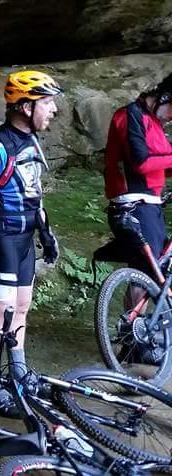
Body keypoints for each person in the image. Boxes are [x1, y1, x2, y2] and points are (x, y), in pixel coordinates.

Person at [0, 70, 62, 417]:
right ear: (23, 106)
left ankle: (17, 373)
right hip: (2, 240)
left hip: (25, 241)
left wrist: (46, 233)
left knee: (22, 306)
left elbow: (32, 195)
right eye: (46, 103)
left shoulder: (32, 143)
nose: (52, 110)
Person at [102, 74, 172, 364]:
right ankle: (133, 342)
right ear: (164, 98)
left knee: (152, 266)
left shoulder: (151, 121)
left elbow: (160, 165)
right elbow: (141, 162)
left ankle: (141, 336)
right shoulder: (129, 116)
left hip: (149, 202)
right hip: (135, 203)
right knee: (145, 270)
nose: (171, 119)